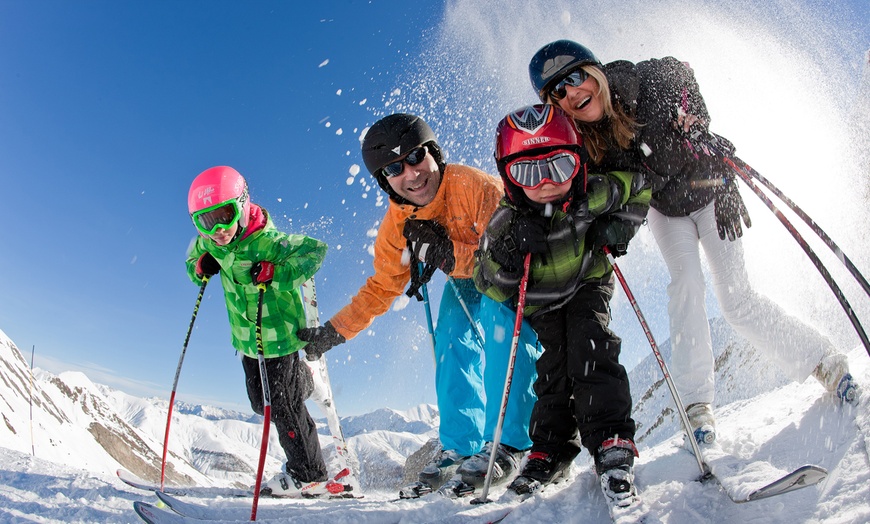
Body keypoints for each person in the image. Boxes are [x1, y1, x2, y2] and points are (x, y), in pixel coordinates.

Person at [528, 40, 860, 446]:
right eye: (557, 92)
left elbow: (679, 71)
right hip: (667, 212)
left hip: (710, 193)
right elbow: (595, 190)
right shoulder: (586, 143)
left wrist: (697, 121)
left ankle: (826, 363)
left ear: (594, 72)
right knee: (685, 286)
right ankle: (697, 407)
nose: (572, 93)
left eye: (576, 77)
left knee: (737, 301)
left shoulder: (638, 84)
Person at [295, 113, 541, 492]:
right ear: (384, 181)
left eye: (415, 157)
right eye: (394, 168)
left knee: (499, 323)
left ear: (434, 154)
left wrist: (446, 252)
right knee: (451, 338)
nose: (411, 173)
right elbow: (381, 288)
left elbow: (511, 260)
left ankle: (510, 442)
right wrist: (334, 331)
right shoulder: (396, 225)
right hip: (466, 277)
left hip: (506, 276)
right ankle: (462, 446)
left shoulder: (473, 187)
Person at [474, 104, 651, 507]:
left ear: (579, 160)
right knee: (554, 370)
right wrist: (509, 250)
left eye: (559, 165)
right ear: (509, 178)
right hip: (542, 302)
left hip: (588, 281)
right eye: (528, 172)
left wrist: (619, 227)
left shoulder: (591, 194)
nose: (547, 183)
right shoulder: (507, 221)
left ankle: (610, 436)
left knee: (591, 344)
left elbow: (638, 185)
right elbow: (485, 279)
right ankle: (551, 448)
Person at [185, 165, 339, 497]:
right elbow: (191, 262)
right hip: (246, 339)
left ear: (241, 205)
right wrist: (201, 267)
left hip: (280, 336)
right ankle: (305, 380)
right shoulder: (209, 243)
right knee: (260, 402)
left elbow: (315, 252)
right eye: (205, 221)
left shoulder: (270, 241)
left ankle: (310, 474)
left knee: (281, 406)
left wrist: (277, 272)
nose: (218, 230)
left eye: (224, 216)